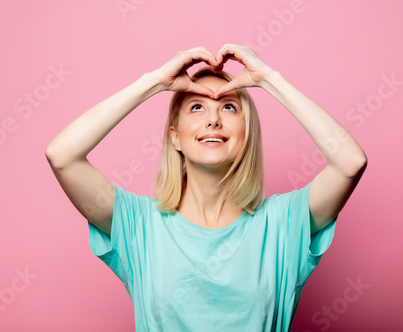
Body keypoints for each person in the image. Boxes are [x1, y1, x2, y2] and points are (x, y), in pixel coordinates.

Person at [45, 44, 367, 331]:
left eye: (229, 107)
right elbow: (63, 156)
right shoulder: (138, 225)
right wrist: (154, 82)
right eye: (197, 107)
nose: (213, 120)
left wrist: (268, 79)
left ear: (246, 135)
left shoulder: (282, 224)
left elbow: (350, 161)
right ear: (175, 136)